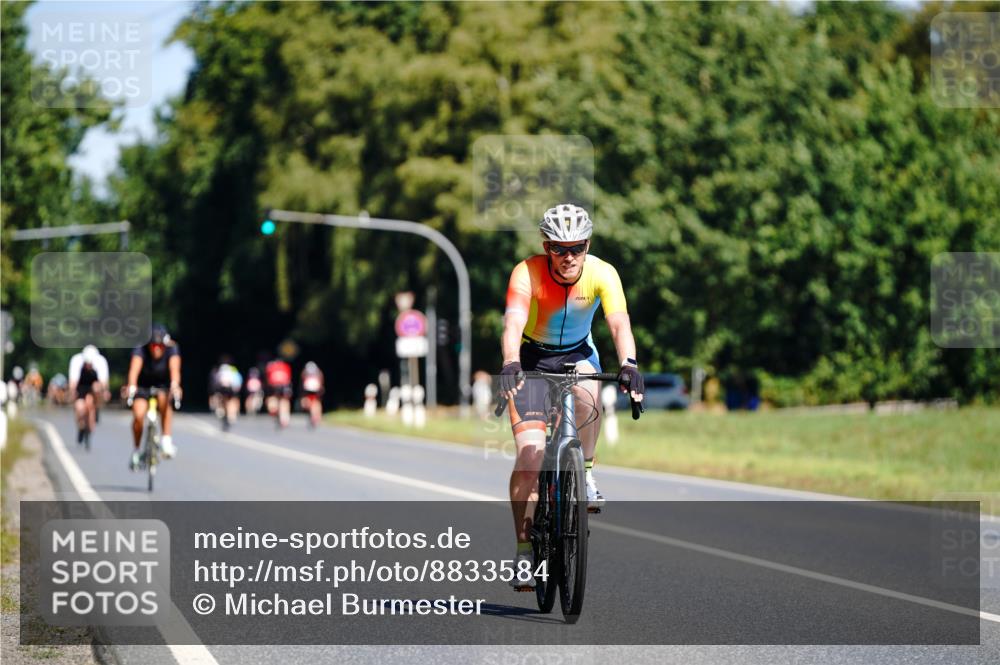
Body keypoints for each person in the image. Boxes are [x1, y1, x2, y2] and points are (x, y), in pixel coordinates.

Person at [499, 203, 644, 589]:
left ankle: (588, 472)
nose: (568, 256)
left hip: (579, 353)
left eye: (576, 247)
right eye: (559, 248)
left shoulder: (602, 273)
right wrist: (511, 361)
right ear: (546, 246)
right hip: (531, 358)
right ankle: (524, 552)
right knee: (530, 458)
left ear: (587, 244)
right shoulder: (527, 272)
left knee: (587, 388)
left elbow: (618, 321)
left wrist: (629, 363)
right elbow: (513, 320)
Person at [126, 324, 182, 467]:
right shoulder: (140, 348)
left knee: (165, 399)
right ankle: (137, 450)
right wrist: (132, 386)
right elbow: (134, 370)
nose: (156, 349)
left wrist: (175, 385)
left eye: (160, 346)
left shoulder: (172, 348)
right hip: (143, 386)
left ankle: (166, 439)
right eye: (153, 345)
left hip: (162, 386)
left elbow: (175, 370)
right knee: (138, 415)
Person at [69, 346, 108, 444]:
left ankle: (96, 409)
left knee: (94, 392)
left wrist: (104, 392)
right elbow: (73, 382)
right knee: (79, 408)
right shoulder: (77, 361)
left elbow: (103, 383)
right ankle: (81, 427)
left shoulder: (100, 362)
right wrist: (72, 392)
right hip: (81, 389)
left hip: (93, 391)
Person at [210, 356, 243, 430]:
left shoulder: (220, 369)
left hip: (223, 388)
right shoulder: (233, 369)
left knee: (224, 401)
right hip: (231, 388)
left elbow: (216, 380)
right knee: (231, 401)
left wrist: (215, 389)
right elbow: (238, 378)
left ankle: (224, 414)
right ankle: (231, 416)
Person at [264, 356, 293, 428]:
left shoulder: (271, 366)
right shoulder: (286, 366)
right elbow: (289, 378)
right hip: (284, 386)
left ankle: (279, 414)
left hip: (274, 386)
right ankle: (284, 417)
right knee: (284, 401)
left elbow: (267, 378)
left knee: (274, 400)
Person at [299, 361, 325, 428]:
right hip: (314, 389)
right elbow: (321, 381)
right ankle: (316, 416)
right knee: (316, 402)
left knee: (312, 402)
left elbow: (302, 382)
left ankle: (315, 416)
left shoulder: (305, 372)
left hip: (310, 389)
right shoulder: (318, 373)